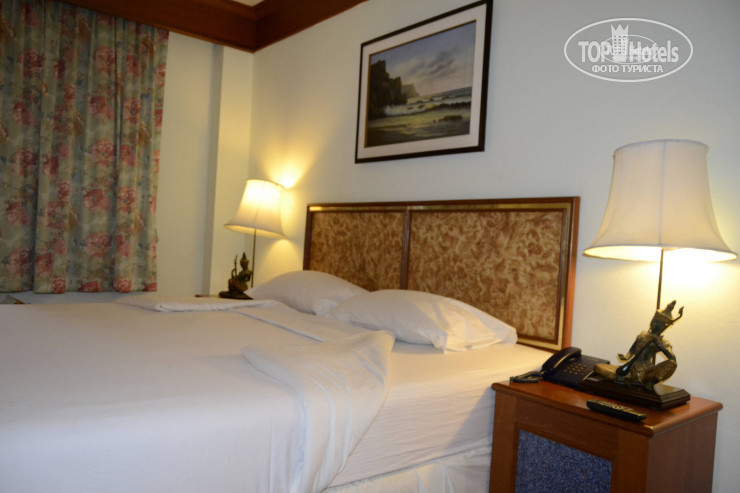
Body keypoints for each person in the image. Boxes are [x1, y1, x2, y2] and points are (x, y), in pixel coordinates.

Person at [594, 301, 683, 392]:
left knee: (672, 364)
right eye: (654, 320)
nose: (654, 323)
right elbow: (633, 348)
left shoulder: (662, 342)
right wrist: (627, 357)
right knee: (598, 367)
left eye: (658, 322)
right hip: (631, 369)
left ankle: (648, 383)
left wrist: (658, 343)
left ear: (663, 325)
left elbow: (672, 359)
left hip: (646, 373)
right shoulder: (642, 335)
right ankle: (624, 379)